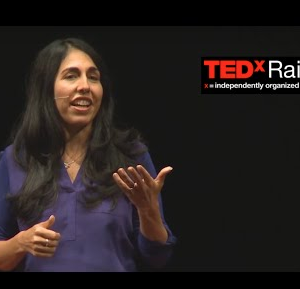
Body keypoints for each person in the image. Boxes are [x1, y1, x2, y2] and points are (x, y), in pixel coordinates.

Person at [0, 38, 176, 272]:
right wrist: (19, 243)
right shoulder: (16, 159)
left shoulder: (130, 155)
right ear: (46, 88)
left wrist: (148, 210)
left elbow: (157, 257)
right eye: (71, 76)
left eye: (93, 77)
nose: (85, 86)